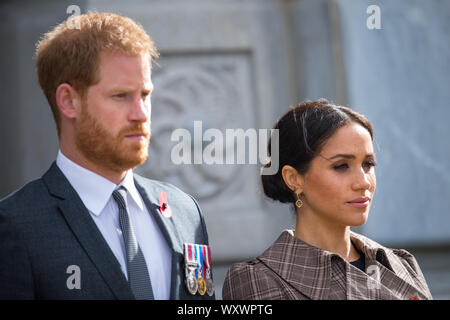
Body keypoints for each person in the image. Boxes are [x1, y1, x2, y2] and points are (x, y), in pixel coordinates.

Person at [0, 12, 214, 300]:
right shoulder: (16, 226)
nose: (141, 114)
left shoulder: (186, 212)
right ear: (68, 101)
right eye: (121, 96)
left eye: (145, 95)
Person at [222, 100, 432, 300]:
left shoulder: (400, 264)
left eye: (368, 164)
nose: (364, 182)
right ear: (294, 179)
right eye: (341, 166)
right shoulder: (260, 278)